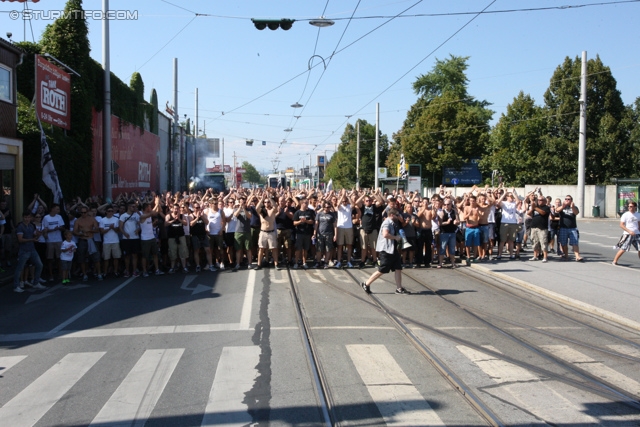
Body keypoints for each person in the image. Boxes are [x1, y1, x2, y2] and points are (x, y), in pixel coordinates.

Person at [360, 208, 410, 295]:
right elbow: (385, 234)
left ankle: (399, 288)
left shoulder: (393, 223)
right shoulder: (387, 223)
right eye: (397, 215)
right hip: (386, 250)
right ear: (392, 215)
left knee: (398, 268)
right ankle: (366, 284)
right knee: (383, 269)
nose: (398, 217)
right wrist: (395, 237)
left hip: (392, 249)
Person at [13, 211, 46, 292]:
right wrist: (32, 239)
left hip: (32, 249)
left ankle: (36, 283)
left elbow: (34, 235)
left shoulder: (31, 226)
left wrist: (38, 234)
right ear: (23, 218)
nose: (27, 219)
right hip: (24, 250)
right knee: (20, 268)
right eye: (25, 217)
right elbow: (20, 239)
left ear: (31, 218)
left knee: (40, 265)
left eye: (28, 217)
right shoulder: (20, 227)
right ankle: (16, 286)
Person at [73, 206, 103, 281]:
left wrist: (90, 231)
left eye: (85, 212)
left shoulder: (92, 219)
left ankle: (99, 273)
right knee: (81, 257)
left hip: (91, 239)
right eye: (82, 212)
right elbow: (75, 231)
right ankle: (84, 274)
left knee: (96, 257)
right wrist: (81, 233)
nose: (83, 214)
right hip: (82, 240)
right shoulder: (78, 221)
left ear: (87, 212)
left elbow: (97, 229)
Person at [556, 194, 583, 262]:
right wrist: (563, 206)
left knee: (575, 242)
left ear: (571, 200)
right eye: (566, 199)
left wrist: (572, 207)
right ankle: (566, 255)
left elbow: (576, 213)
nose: (567, 200)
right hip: (563, 227)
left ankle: (577, 256)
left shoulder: (574, 207)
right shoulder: (562, 207)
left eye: (568, 199)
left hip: (572, 228)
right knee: (563, 243)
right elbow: (557, 210)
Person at [42, 203, 65, 281]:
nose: (58, 210)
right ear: (52, 209)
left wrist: (59, 228)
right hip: (50, 240)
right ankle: (51, 274)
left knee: (59, 257)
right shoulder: (46, 218)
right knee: (50, 258)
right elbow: (44, 229)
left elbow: (62, 227)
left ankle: (60, 273)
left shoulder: (59, 217)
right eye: (57, 209)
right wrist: (52, 230)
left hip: (58, 239)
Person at [612, 201, 639, 265]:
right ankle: (615, 261)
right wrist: (629, 231)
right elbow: (621, 225)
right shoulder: (625, 215)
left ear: (635, 207)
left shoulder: (638, 214)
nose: (630, 207)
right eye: (629, 206)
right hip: (628, 234)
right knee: (624, 248)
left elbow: (639, 224)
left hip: (637, 234)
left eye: (631, 206)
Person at [292, 198, 315, 269]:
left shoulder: (309, 212)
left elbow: (312, 221)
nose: (307, 204)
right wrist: (300, 221)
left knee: (306, 249)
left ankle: (304, 262)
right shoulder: (297, 212)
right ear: (301, 204)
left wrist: (306, 221)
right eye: (305, 203)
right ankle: (296, 262)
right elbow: (294, 223)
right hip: (299, 233)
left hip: (307, 233)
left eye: (307, 203)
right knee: (298, 249)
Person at [99, 205, 122, 277]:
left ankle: (115, 271)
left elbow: (118, 230)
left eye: (112, 211)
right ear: (106, 212)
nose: (110, 212)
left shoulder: (116, 219)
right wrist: (109, 228)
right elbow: (101, 231)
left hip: (115, 241)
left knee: (116, 257)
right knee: (106, 258)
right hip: (106, 242)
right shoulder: (102, 220)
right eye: (109, 211)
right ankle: (105, 272)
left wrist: (113, 228)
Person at [528, 193, 550, 262]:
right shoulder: (535, 207)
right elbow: (528, 213)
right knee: (534, 242)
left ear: (544, 201)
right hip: (534, 227)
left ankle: (545, 257)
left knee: (543, 242)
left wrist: (535, 208)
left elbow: (543, 213)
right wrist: (532, 208)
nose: (540, 201)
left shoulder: (546, 207)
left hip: (542, 228)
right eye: (539, 200)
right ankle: (535, 256)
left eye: (541, 200)